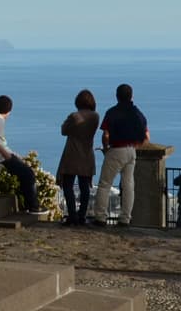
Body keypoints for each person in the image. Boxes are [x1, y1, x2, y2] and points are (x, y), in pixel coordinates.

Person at [100, 83, 150, 227]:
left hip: (116, 149)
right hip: (131, 151)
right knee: (128, 185)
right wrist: (135, 146)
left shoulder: (112, 112)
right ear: (131, 96)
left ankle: (100, 217)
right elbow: (146, 136)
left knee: (105, 184)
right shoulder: (138, 114)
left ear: (117, 96)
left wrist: (105, 148)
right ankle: (125, 218)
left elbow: (106, 134)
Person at [0, 95, 39, 213]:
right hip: (0, 157)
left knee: (23, 175)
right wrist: (7, 155)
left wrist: (12, 153)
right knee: (29, 174)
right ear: (9, 110)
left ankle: (26, 206)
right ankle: (33, 206)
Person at [56, 90, 100, 227]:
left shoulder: (74, 116)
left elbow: (64, 131)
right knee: (84, 187)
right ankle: (82, 216)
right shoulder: (95, 117)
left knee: (68, 186)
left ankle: (72, 216)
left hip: (72, 154)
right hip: (87, 154)